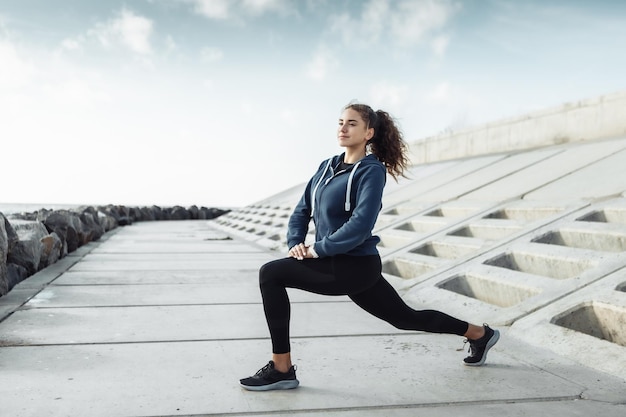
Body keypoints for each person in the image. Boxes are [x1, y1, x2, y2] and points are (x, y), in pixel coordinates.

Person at [239, 103, 500, 391]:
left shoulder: (372, 171)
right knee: (405, 318)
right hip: (331, 260)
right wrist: (296, 244)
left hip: (355, 266)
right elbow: (302, 211)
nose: (343, 127)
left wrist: (316, 250)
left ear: (368, 133)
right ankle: (479, 334)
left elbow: (361, 223)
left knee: (271, 274)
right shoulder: (326, 167)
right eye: (340, 122)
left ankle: (282, 368)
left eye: (351, 123)